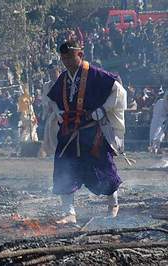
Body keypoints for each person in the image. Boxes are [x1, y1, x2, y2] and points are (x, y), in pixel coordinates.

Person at [47, 41, 127, 224]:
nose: (66, 61)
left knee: (103, 167)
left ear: (80, 54)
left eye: (69, 56)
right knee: (63, 167)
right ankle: (69, 212)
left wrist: (103, 109)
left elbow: (118, 91)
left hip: (92, 132)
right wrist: (58, 111)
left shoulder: (96, 74)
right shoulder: (64, 78)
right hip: (69, 131)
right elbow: (51, 98)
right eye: (63, 58)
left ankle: (113, 204)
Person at [39, 64, 60, 158]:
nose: (52, 75)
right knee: (50, 132)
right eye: (50, 73)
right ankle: (52, 151)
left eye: (54, 72)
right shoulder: (47, 85)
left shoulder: (63, 83)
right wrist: (47, 107)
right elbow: (45, 99)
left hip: (63, 112)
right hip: (52, 113)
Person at [149, 90, 168, 155]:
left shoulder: (160, 102)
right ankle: (154, 147)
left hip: (161, 117)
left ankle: (155, 147)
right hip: (160, 117)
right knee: (157, 130)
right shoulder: (160, 102)